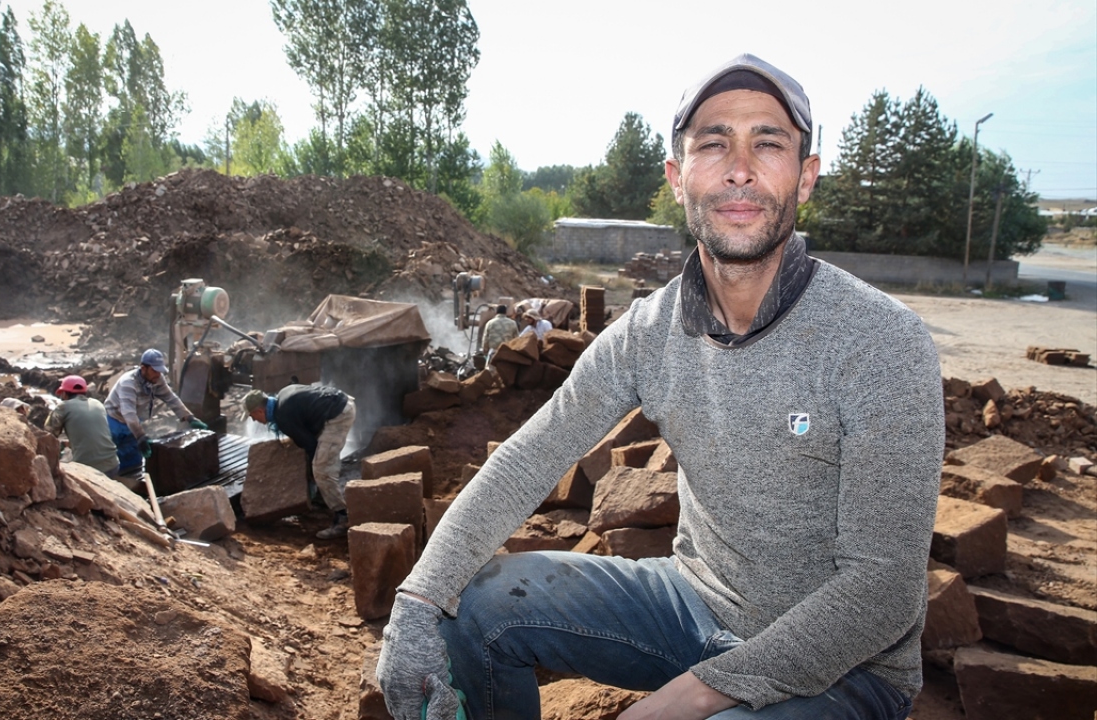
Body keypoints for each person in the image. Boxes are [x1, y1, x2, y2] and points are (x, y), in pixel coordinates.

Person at [377, 53, 945, 720]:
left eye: (769, 142)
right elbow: (527, 459)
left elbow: (882, 592)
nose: (740, 165)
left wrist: (685, 698)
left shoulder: (880, 340)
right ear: (677, 178)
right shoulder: (649, 332)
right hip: (693, 603)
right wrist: (414, 607)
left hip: (848, 668)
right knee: (479, 606)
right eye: (714, 143)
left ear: (807, 176)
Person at [244, 384, 356, 539]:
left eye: (252, 416)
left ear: (259, 411)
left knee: (321, 468)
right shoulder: (282, 396)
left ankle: (343, 517)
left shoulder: (283, 417)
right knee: (319, 461)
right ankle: (322, 497)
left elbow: (310, 445)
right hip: (340, 401)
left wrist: (311, 473)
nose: (254, 420)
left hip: (338, 414)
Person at [104, 348, 207, 476]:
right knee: (111, 459)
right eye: (154, 370)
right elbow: (128, 413)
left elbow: (171, 398)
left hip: (134, 420)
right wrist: (141, 436)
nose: (158, 374)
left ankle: (130, 486)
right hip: (114, 420)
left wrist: (189, 417)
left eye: (160, 370)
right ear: (143, 368)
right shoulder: (128, 383)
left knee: (133, 460)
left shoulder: (157, 379)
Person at [46, 375, 120, 477]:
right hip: (113, 466)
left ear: (64, 393)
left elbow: (48, 435)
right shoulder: (98, 404)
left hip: (87, 470)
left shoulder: (63, 407)